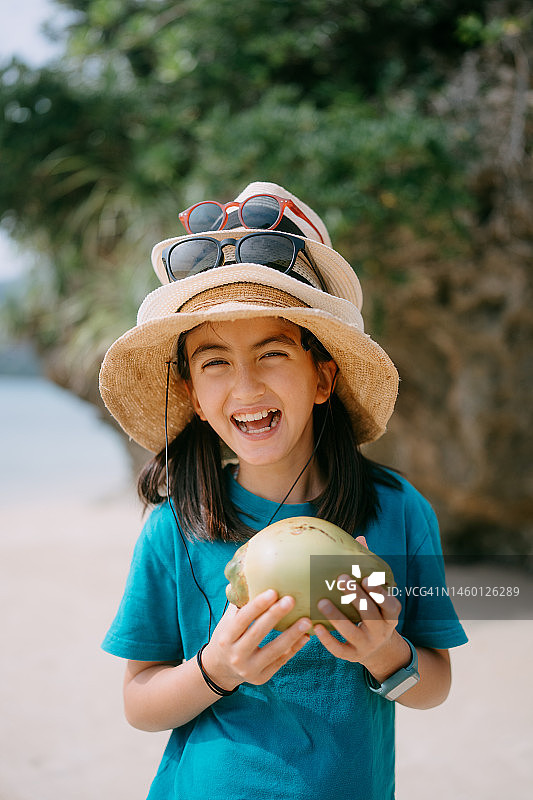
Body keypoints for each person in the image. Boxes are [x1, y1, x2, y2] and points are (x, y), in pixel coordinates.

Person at [99, 182, 467, 800]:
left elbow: (433, 685)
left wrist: (384, 652)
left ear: (323, 377)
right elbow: (140, 703)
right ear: (192, 393)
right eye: (214, 362)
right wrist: (218, 670)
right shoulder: (176, 527)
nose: (244, 387)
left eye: (272, 354)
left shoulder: (397, 513)